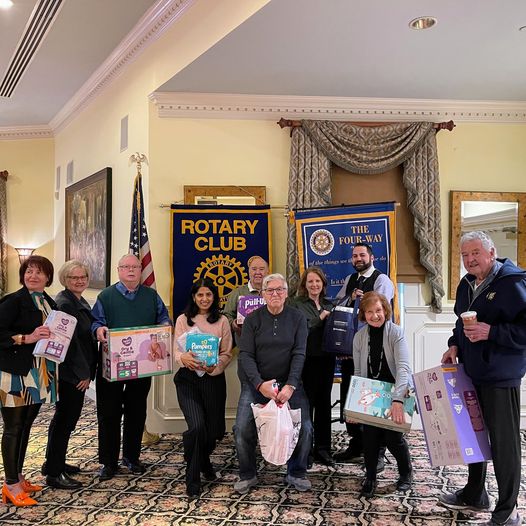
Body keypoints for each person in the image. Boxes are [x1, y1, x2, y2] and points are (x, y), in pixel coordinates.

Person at [439, 231, 526, 526]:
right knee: (474, 436)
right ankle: (475, 493)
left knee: (504, 444)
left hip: (500, 376)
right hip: (471, 371)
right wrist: (454, 344)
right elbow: (460, 323)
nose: (469, 259)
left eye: (475, 253)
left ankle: (507, 511)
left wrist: (492, 332)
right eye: (464, 255)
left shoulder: (513, 283)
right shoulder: (466, 284)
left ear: (491, 252)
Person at [91, 254, 172, 481]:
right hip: (111, 366)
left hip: (142, 365)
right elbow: (96, 322)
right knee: (109, 413)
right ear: (118, 270)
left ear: (140, 270)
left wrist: (164, 329)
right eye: (126, 266)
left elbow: (163, 319)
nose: (131, 270)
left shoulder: (151, 295)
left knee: (136, 412)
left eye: (135, 267)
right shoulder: (106, 296)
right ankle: (108, 462)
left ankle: (132, 457)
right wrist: (98, 330)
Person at [233, 273, 312, 493]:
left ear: (286, 294)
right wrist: (260, 385)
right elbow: (245, 355)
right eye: (270, 290)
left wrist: (290, 385)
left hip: (290, 384)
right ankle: (247, 474)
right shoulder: (252, 319)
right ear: (263, 294)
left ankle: (296, 472)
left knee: (305, 428)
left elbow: (299, 353)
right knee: (241, 428)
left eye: (280, 289)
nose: (275, 294)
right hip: (257, 384)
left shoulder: (298, 318)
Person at [0, 255, 58, 506]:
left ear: (48, 277)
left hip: (38, 372)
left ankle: (19, 478)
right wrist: (26, 338)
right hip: (14, 373)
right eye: (29, 271)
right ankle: (10, 484)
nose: (33, 276)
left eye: (39, 272)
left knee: (26, 425)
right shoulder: (13, 301)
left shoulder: (48, 302)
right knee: (13, 427)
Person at [334, 243, 395, 465]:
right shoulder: (350, 280)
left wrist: (363, 299)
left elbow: (378, 311)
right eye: (354, 256)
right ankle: (357, 443)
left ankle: (378, 451)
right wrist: (351, 298)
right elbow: (338, 305)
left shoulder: (382, 280)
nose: (358, 258)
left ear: (371, 257)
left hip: (374, 350)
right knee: (351, 397)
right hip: (350, 350)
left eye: (362, 255)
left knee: (373, 398)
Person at [173, 278, 233, 498]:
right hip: (187, 380)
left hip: (212, 380)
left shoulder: (222, 321)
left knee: (214, 431)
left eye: (208, 294)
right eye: (200, 295)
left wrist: (214, 367)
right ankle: (193, 479)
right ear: (194, 297)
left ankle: (203, 461)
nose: (204, 299)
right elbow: (176, 350)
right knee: (197, 426)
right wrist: (183, 358)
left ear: (214, 297)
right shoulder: (183, 320)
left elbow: (227, 353)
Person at [42, 260, 98, 489]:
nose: (79, 281)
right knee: (65, 421)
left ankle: (53, 462)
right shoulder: (65, 304)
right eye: (74, 277)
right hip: (71, 373)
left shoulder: (77, 300)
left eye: (83, 277)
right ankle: (54, 474)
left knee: (63, 419)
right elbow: (71, 344)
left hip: (74, 371)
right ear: (65, 279)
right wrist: (83, 374)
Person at [352, 291, 412, 497]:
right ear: (363, 314)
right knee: (369, 438)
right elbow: (358, 373)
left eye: (378, 310)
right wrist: (355, 405)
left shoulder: (396, 333)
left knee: (393, 438)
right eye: (369, 312)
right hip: (371, 393)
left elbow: (403, 368)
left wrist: (398, 400)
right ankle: (370, 477)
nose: (374, 315)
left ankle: (406, 474)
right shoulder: (359, 337)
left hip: (395, 390)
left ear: (385, 310)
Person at [291, 266, 335, 467]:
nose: (314, 284)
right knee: (306, 405)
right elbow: (302, 329)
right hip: (306, 361)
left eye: (317, 281)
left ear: (323, 284)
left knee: (324, 404)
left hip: (327, 360)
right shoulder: (296, 304)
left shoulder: (329, 304)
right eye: (310, 281)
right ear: (304, 284)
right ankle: (305, 451)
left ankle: (323, 449)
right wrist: (321, 317)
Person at [223, 255, 269, 343]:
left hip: (269, 343)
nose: (258, 272)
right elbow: (226, 316)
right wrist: (233, 324)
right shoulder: (237, 293)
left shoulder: (273, 292)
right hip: (244, 343)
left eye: (262, 269)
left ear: (267, 272)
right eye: (254, 269)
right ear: (249, 271)